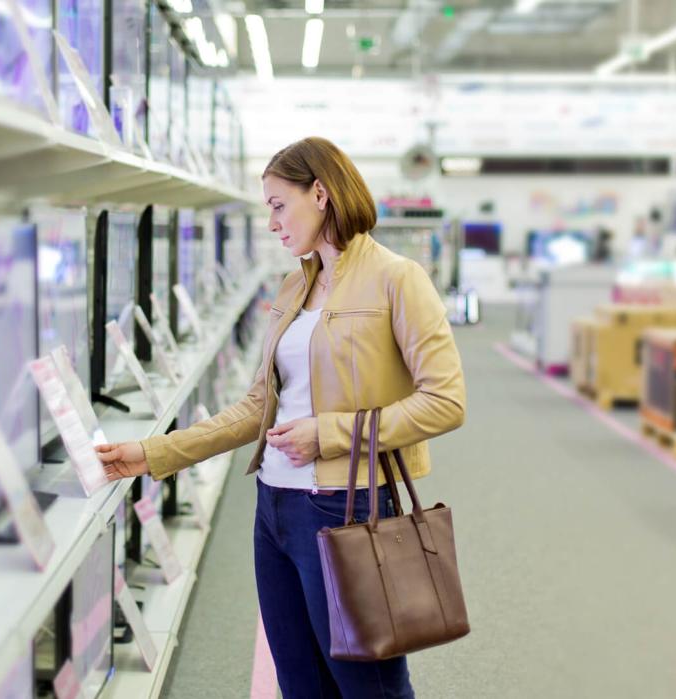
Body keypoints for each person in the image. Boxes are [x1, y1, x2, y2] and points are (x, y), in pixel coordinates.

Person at [96, 137, 467, 698]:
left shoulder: (398, 279)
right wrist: (155, 453)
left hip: (348, 507)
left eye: (277, 204)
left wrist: (330, 433)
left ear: (320, 193)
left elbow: (446, 399)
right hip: (273, 508)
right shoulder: (296, 283)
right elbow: (257, 406)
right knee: (300, 683)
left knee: (369, 684)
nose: (270, 222)